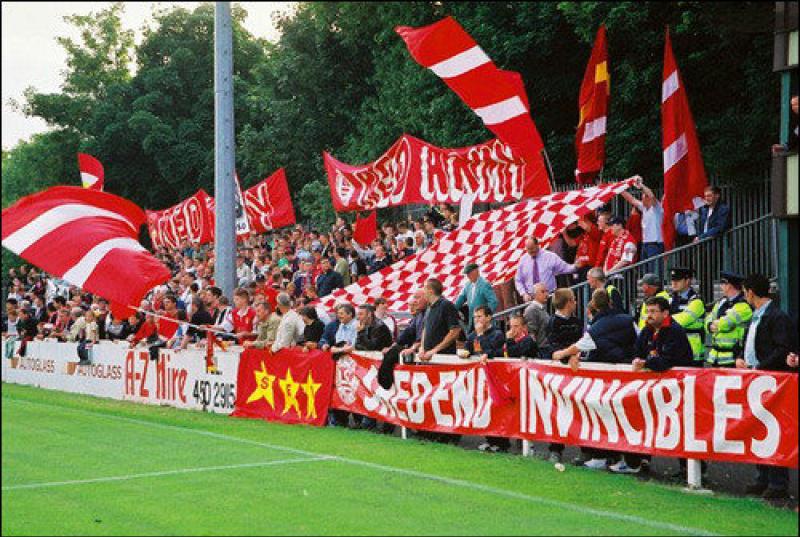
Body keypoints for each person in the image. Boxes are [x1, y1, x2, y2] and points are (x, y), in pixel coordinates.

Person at [552, 290, 636, 470]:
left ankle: (605, 457)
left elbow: (580, 345)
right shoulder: (628, 320)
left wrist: (563, 354)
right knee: (627, 418)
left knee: (605, 416)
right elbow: (638, 339)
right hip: (629, 374)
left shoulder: (597, 327)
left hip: (607, 378)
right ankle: (629, 460)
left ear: (594, 305)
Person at [610, 296, 693, 474]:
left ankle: (690, 470)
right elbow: (637, 351)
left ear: (665, 313)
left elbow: (667, 361)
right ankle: (641, 460)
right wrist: (638, 360)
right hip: (654, 388)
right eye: (648, 311)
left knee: (682, 426)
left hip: (679, 388)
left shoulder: (674, 331)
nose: (649, 315)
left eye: (654, 311)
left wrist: (646, 363)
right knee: (644, 420)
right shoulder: (647, 330)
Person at [737, 274, 797, 500]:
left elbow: (782, 349)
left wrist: (760, 367)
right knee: (758, 429)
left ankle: (777, 481)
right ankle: (762, 476)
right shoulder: (758, 316)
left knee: (774, 431)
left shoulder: (777, 317)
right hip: (758, 380)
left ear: (750, 292)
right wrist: (740, 358)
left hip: (773, 383)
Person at [464, 306, 507, 453]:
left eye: (480, 316)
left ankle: (501, 442)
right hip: (479, 379)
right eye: (475, 317)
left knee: (497, 408)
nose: (477, 320)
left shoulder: (497, 334)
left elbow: (491, 351)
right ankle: (489, 439)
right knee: (484, 408)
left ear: (489, 317)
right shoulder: (473, 334)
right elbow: (467, 347)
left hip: (495, 376)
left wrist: (481, 335)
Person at [704, 271, 752, 368]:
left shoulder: (743, 305)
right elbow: (707, 320)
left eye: (722, 283)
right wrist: (709, 325)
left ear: (729, 286)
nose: (721, 286)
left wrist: (716, 323)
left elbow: (725, 324)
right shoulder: (721, 302)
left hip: (733, 358)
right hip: (716, 357)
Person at [515, 236, 586, 300]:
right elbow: (518, 280)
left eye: (532, 248)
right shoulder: (523, 260)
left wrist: (575, 266)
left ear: (537, 245)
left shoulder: (550, 256)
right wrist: (523, 293)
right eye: (528, 249)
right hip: (531, 298)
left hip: (548, 296)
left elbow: (565, 268)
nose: (530, 251)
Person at [620, 175, 663, 261]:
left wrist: (641, 185)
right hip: (645, 243)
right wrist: (620, 189)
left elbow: (651, 195)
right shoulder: (644, 208)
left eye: (644, 198)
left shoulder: (657, 208)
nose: (642, 200)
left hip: (655, 244)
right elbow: (631, 199)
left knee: (654, 269)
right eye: (642, 198)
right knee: (645, 269)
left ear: (649, 200)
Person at [669, 267, 706, 366]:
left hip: (692, 353)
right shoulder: (670, 299)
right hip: (675, 351)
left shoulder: (696, 301)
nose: (674, 283)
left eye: (678, 280)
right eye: (672, 280)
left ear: (687, 281)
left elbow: (683, 320)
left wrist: (664, 319)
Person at [418, 278, 461, 360]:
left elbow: (455, 331)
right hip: (428, 357)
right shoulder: (428, 308)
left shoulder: (446, 305)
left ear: (431, 291)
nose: (423, 292)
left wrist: (434, 350)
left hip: (444, 358)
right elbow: (425, 329)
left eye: (424, 289)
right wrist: (422, 348)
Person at [454, 263, 498, 332]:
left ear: (476, 271)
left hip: (484, 323)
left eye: (469, 273)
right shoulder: (468, 285)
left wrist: (485, 316)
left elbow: (494, 302)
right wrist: (452, 308)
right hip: (473, 321)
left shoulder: (484, 284)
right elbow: (461, 298)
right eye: (467, 274)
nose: (468, 276)